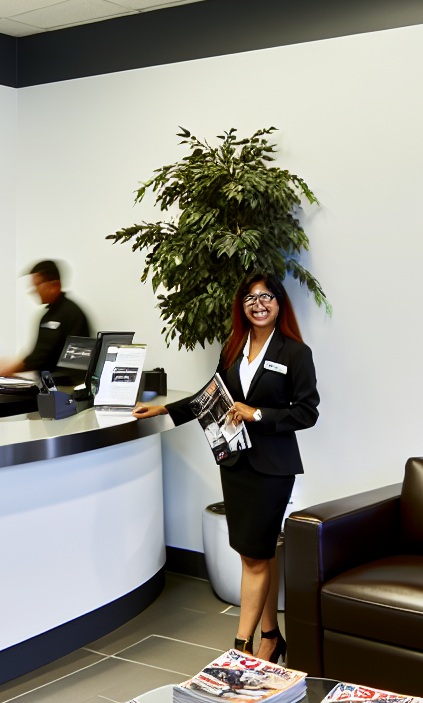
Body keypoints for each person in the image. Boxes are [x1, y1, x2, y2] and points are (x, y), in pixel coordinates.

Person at [134, 273, 319, 664]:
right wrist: (165, 410)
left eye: (266, 296)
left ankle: (242, 648)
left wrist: (258, 414)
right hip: (235, 463)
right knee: (258, 554)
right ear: (242, 305)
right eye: (250, 298)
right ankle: (271, 637)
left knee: (254, 556)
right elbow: (211, 395)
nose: (258, 304)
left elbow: (307, 412)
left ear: (279, 303)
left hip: (272, 468)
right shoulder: (234, 346)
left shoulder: (295, 352)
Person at [0, 259, 90, 384]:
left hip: (66, 386)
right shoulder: (49, 315)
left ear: (55, 284)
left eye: (37, 285)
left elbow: (43, 357)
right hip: (49, 384)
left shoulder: (69, 313)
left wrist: (10, 367)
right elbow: (40, 353)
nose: (34, 290)